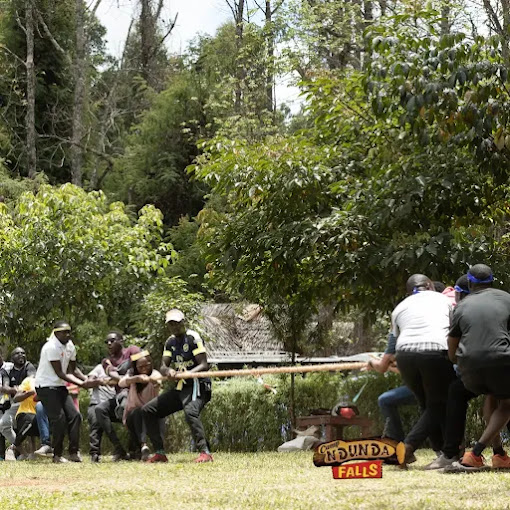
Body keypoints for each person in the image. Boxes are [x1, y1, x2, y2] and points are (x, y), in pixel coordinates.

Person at [448, 264, 510, 470]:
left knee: (491, 394)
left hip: (469, 366)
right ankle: (475, 453)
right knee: (506, 405)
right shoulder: (506, 298)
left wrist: (457, 361)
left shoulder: (462, 306)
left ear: (470, 283)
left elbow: (452, 343)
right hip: (500, 359)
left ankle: (499, 454)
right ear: (492, 281)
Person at [393, 274, 456, 465]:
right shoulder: (443, 300)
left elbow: (397, 335)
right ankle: (409, 445)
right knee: (440, 403)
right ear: (430, 286)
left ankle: (440, 450)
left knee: (427, 405)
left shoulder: (400, 307)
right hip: (435, 351)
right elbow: (455, 328)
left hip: (404, 354)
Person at [142, 309, 213, 463]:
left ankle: (205, 452)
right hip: (181, 387)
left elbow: (204, 364)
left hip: (198, 385)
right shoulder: (170, 342)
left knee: (190, 412)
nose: (174, 327)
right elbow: (163, 367)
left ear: (183, 322)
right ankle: (160, 453)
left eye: (177, 323)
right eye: (171, 324)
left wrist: (188, 373)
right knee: (148, 410)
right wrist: (168, 371)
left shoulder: (193, 338)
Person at [34, 321, 95, 463]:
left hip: (59, 386)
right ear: (56, 333)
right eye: (64, 332)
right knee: (59, 419)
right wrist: (83, 384)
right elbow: (60, 373)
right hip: (46, 386)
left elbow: (72, 370)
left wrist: (86, 378)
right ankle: (57, 455)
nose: (67, 334)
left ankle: (73, 453)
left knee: (75, 416)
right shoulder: (51, 347)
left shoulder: (70, 346)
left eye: (69, 331)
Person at [94, 331, 140, 461]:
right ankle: (119, 448)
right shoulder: (107, 360)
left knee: (126, 405)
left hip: (136, 395)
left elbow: (141, 364)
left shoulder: (132, 350)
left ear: (121, 341)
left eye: (112, 340)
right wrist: (123, 379)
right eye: (106, 342)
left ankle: (135, 449)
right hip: (121, 395)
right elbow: (111, 372)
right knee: (99, 409)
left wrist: (129, 375)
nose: (109, 344)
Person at [367, 333, 417, 443]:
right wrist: (392, 366)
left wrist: (371, 363)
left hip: (424, 385)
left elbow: (381, 367)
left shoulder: (396, 330)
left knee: (385, 400)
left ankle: (397, 444)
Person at [119, 351, 161, 461]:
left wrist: (150, 380)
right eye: (140, 366)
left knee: (143, 412)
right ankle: (143, 445)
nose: (144, 368)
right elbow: (121, 383)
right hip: (132, 416)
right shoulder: (132, 375)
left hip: (150, 414)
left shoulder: (155, 374)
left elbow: (158, 380)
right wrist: (136, 379)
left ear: (150, 364)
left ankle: (141, 449)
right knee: (138, 412)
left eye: (146, 365)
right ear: (136, 367)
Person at [0, 347, 36, 461]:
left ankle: (33, 453)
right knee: (3, 424)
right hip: (14, 403)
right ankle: (22, 451)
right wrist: (12, 390)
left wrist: (20, 388)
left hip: (29, 400)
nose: (21, 355)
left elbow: (32, 379)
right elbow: (5, 387)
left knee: (30, 425)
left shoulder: (29, 366)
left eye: (23, 353)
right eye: (17, 353)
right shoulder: (7, 370)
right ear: (12, 358)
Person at [87, 363, 115, 462]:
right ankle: (94, 453)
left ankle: (128, 451)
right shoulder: (100, 368)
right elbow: (88, 382)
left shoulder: (120, 369)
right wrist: (100, 381)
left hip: (113, 404)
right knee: (95, 421)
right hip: (97, 402)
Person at [13, 375, 38, 460]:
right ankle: (16, 446)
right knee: (30, 420)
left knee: (33, 432)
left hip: (37, 414)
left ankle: (32, 453)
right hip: (23, 412)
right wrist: (30, 392)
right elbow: (16, 398)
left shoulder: (46, 382)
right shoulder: (29, 381)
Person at [0, 352, 14, 461]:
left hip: (13, 402)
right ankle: (1, 456)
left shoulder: (10, 366)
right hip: (1, 404)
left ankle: (20, 453)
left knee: (16, 428)